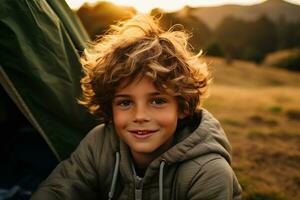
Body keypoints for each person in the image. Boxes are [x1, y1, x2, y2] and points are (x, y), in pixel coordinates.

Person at [31, 14, 242, 200]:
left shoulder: (208, 172)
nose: (140, 116)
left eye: (157, 101)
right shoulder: (99, 144)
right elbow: (60, 188)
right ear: (109, 108)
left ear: (182, 107)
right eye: (125, 102)